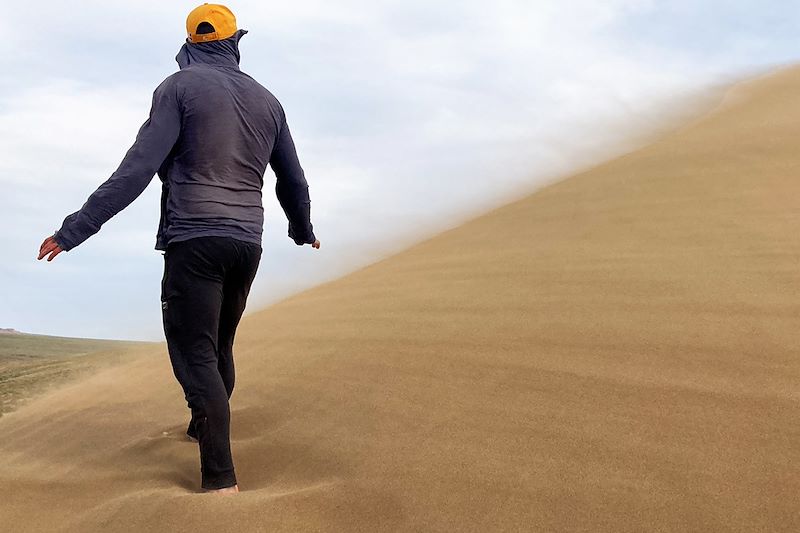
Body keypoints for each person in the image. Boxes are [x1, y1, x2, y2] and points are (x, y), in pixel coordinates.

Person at [36, 3, 320, 494]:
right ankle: (200, 429)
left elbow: (137, 169)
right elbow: (291, 177)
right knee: (218, 347)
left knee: (195, 352)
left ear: (190, 44)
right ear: (235, 42)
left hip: (195, 239)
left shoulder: (178, 88)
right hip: (246, 242)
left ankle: (220, 479)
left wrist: (73, 231)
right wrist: (301, 229)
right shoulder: (268, 101)